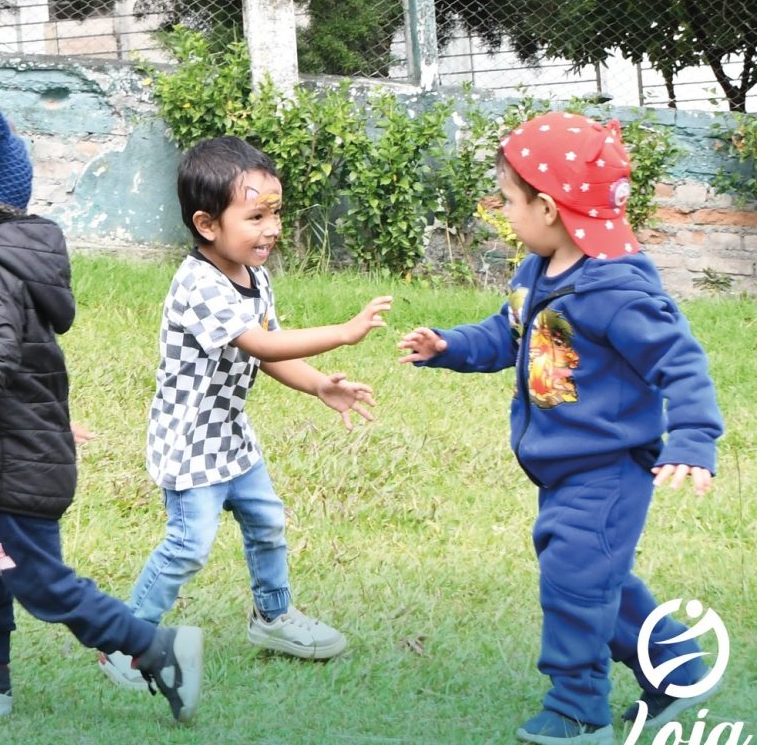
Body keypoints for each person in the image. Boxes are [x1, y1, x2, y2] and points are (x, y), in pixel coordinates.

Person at [398, 112, 723, 744]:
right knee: (599, 575)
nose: (504, 210)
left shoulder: (617, 290)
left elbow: (679, 361)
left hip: (609, 468)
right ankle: (680, 671)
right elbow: (505, 335)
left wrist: (692, 438)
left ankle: (578, 710)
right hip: (561, 467)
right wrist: (450, 345)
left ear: (547, 207)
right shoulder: (536, 273)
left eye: (510, 200)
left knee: (574, 582)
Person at [0, 104, 202, 722]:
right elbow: (33, 361)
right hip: (6, 454)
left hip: (9, 465)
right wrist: (48, 420)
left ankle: (154, 648)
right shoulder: (0, 269)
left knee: (37, 581)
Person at [99, 135, 393, 689]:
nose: (272, 228)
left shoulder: (254, 276)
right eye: (255, 215)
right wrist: (345, 334)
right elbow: (258, 345)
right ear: (207, 224)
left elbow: (270, 345)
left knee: (268, 522)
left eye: (275, 213)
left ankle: (273, 617)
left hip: (230, 436)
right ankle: (125, 643)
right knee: (188, 546)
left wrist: (318, 388)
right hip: (189, 442)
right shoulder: (197, 284)